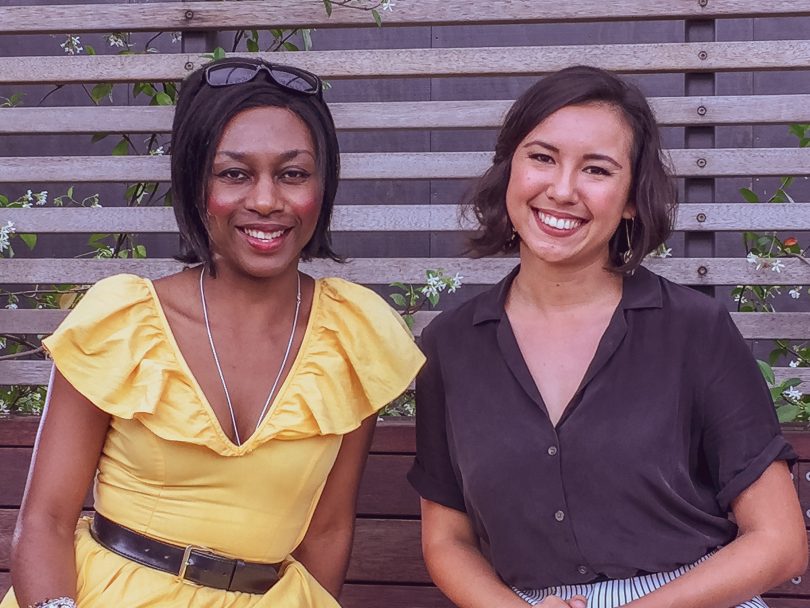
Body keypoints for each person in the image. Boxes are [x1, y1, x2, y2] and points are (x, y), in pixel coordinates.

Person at [4, 57, 424, 608]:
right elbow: (46, 521)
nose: (267, 200)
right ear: (196, 184)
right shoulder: (125, 319)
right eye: (235, 173)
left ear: (323, 186)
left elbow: (327, 532)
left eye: (293, 173)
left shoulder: (354, 336)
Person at [407, 65, 806, 608]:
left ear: (632, 199)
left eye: (596, 170)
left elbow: (780, 542)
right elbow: (447, 540)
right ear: (509, 172)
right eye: (542, 158)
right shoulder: (451, 346)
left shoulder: (692, 329)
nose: (562, 189)